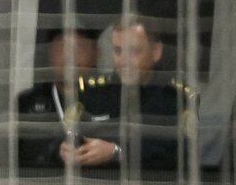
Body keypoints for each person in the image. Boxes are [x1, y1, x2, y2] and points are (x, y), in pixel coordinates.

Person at [67, 16, 193, 171]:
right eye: (118, 51)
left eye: (133, 51)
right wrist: (63, 150)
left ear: (156, 51)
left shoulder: (176, 99)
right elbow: (65, 134)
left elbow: (178, 155)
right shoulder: (92, 92)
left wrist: (117, 152)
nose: (123, 61)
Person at [17, 29, 100, 168]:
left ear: (97, 53)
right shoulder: (26, 103)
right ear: (49, 53)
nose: (70, 56)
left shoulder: (111, 100)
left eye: (79, 47)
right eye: (62, 47)